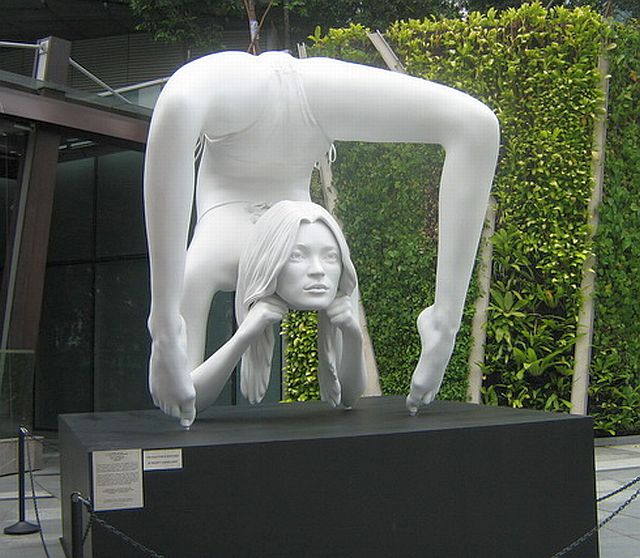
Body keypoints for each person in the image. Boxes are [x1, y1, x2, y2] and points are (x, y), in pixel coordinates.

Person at [144, 50, 500, 427]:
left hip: (260, 102)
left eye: (320, 259)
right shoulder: (328, 254)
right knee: (476, 124)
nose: (318, 272)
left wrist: (167, 329)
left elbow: (185, 398)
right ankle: (442, 324)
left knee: (179, 103)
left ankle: (443, 324)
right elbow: (349, 396)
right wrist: (359, 332)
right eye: (313, 259)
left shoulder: (213, 260)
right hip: (309, 102)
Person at [191, 200, 365, 416]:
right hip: (223, 209)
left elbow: (350, 397)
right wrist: (243, 336)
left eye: (330, 256)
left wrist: (353, 335)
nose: (318, 270)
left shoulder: (342, 282)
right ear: (270, 263)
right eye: (297, 256)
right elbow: (186, 402)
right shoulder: (206, 266)